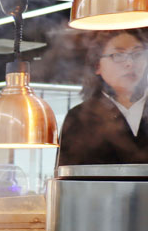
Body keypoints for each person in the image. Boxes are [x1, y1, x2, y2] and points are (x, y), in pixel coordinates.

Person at [58, 29, 148, 166]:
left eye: (138, 54)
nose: (130, 63)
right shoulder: (79, 117)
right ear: (97, 66)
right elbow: (67, 179)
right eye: (118, 55)